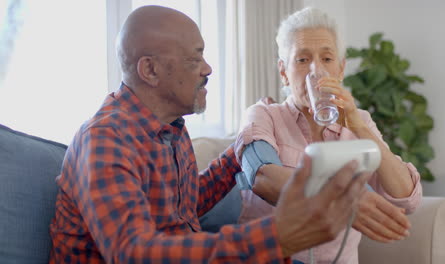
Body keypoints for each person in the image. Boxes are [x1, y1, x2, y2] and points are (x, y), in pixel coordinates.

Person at [48, 5, 372, 263]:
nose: (207, 68)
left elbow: (188, 205)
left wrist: (241, 146)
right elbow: (134, 252)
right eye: (195, 58)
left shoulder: (171, 130)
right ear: (150, 70)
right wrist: (277, 235)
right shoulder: (106, 139)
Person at [234, 7, 423, 264]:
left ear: (341, 69)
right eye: (302, 60)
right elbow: (262, 178)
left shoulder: (360, 122)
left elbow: (407, 198)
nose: (315, 70)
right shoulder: (263, 115)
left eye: (326, 59)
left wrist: (360, 127)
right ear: (283, 72)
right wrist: (346, 203)